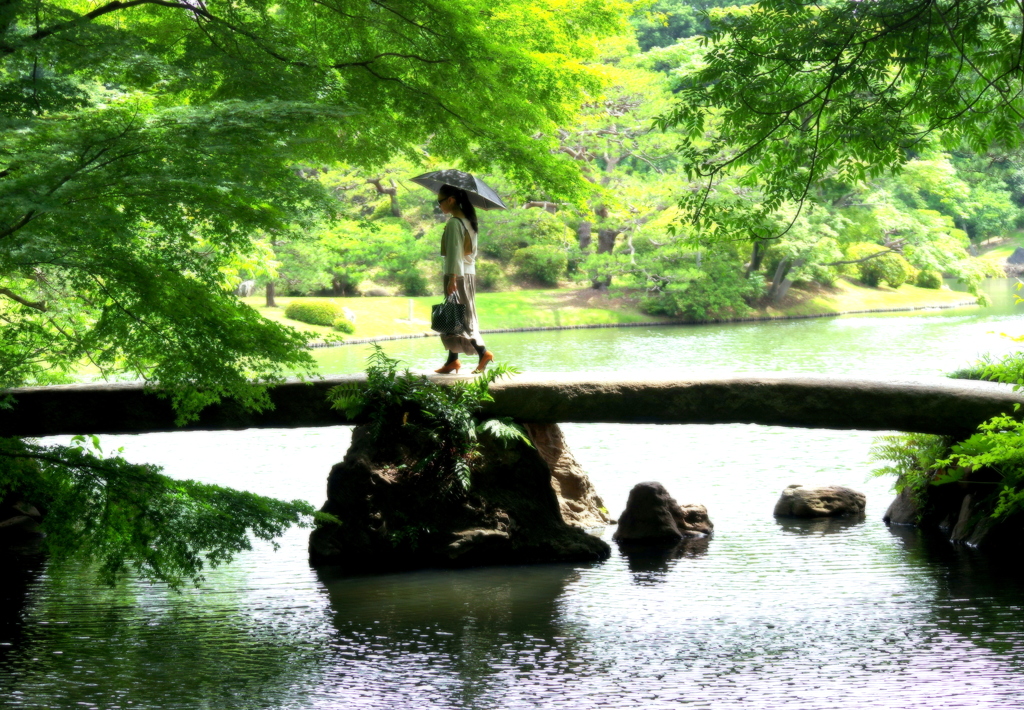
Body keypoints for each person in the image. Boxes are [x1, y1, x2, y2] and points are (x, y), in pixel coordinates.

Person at [435, 183, 494, 374]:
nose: (439, 206)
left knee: (462, 319)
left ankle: (483, 352)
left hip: (457, 275)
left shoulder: (454, 223)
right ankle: (452, 361)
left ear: (451, 200)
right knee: (455, 316)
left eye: (440, 202)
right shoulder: (469, 220)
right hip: (467, 274)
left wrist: (452, 278)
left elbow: (454, 253)